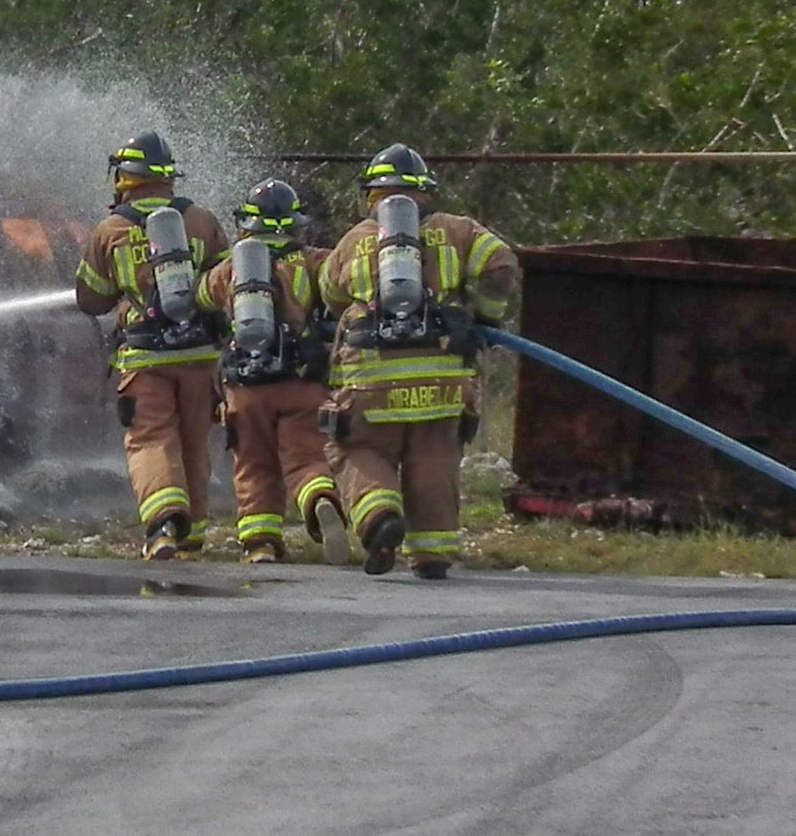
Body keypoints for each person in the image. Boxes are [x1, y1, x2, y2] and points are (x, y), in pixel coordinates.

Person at [318, 144, 519, 579]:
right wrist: (481, 314)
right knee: (435, 461)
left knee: (356, 448)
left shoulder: (355, 239)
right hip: (443, 382)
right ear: (425, 191)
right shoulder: (459, 230)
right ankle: (432, 555)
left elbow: (330, 295)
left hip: (371, 382)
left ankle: (379, 517)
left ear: (372, 194)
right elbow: (501, 266)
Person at [74, 131, 229, 560]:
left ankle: (162, 526)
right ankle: (193, 540)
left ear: (125, 176)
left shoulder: (111, 230)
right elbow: (228, 283)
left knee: (151, 439)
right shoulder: (201, 221)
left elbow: (90, 299)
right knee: (195, 443)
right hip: (200, 356)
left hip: (146, 356)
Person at [196, 178, 344, 564]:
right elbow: (340, 287)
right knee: (308, 456)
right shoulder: (313, 261)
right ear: (296, 224)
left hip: (246, 388)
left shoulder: (231, 270)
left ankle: (260, 542)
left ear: (247, 224)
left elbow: (201, 296)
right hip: (301, 380)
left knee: (253, 464)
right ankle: (319, 499)